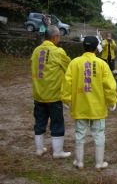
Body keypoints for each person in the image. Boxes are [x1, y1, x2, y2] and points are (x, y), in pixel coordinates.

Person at [61, 36, 117, 171]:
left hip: (80, 105)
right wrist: (111, 101)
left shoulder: (74, 63)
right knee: (98, 133)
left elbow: (67, 82)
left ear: (83, 47)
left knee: (79, 133)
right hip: (97, 107)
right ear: (96, 49)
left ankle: (79, 162)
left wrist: (66, 99)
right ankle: (99, 163)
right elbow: (109, 85)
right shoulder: (102, 64)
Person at [31, 25, 71, 158]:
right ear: (55, 37)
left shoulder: (36, 51)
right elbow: (69, 69)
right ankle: (58, 152)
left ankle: (39, 149)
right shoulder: (58, 52)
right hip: (54, 95)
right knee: (57, 122)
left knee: (40, 121)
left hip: (38, 94)